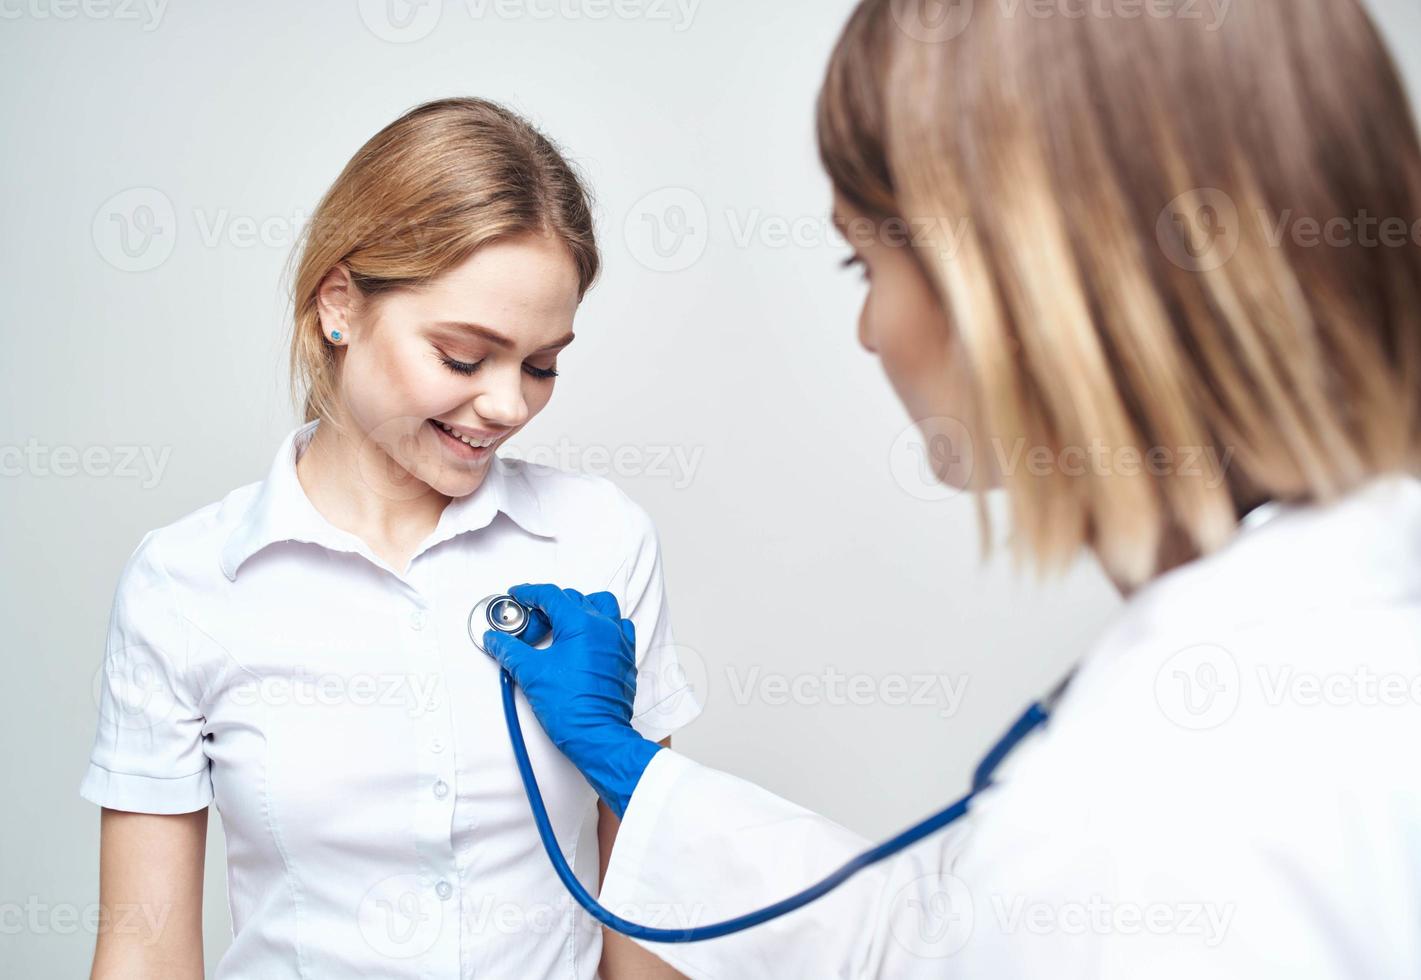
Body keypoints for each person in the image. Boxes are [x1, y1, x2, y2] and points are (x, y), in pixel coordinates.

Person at [481, 1, 1421, 976]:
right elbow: (938, 940)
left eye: (865, 260)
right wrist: (639, 777)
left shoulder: (1156, 807)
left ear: (1015, 278)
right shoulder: (1291, 672)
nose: (869, 331)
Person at [80, 97, 701, 979]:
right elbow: (144, 945)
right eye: (461, 356)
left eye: (541, 364)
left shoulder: (597, 542)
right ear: (340, 304)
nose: (508, 405)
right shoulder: (186, 585)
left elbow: (649, 916)